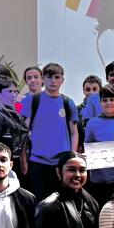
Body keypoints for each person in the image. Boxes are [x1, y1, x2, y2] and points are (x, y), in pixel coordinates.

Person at [23, 62, 80, 202]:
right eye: (49, 77)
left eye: (56, 77)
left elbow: (74, 133)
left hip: (61, 164)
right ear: (43, 79)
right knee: (39, 204)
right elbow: (23, 132)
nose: (53, 81)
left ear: (62, 80)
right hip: (37, 162)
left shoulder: (68, 103)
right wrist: (24, 160)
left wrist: (71, 158)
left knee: (63, 204)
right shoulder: (32, 100)